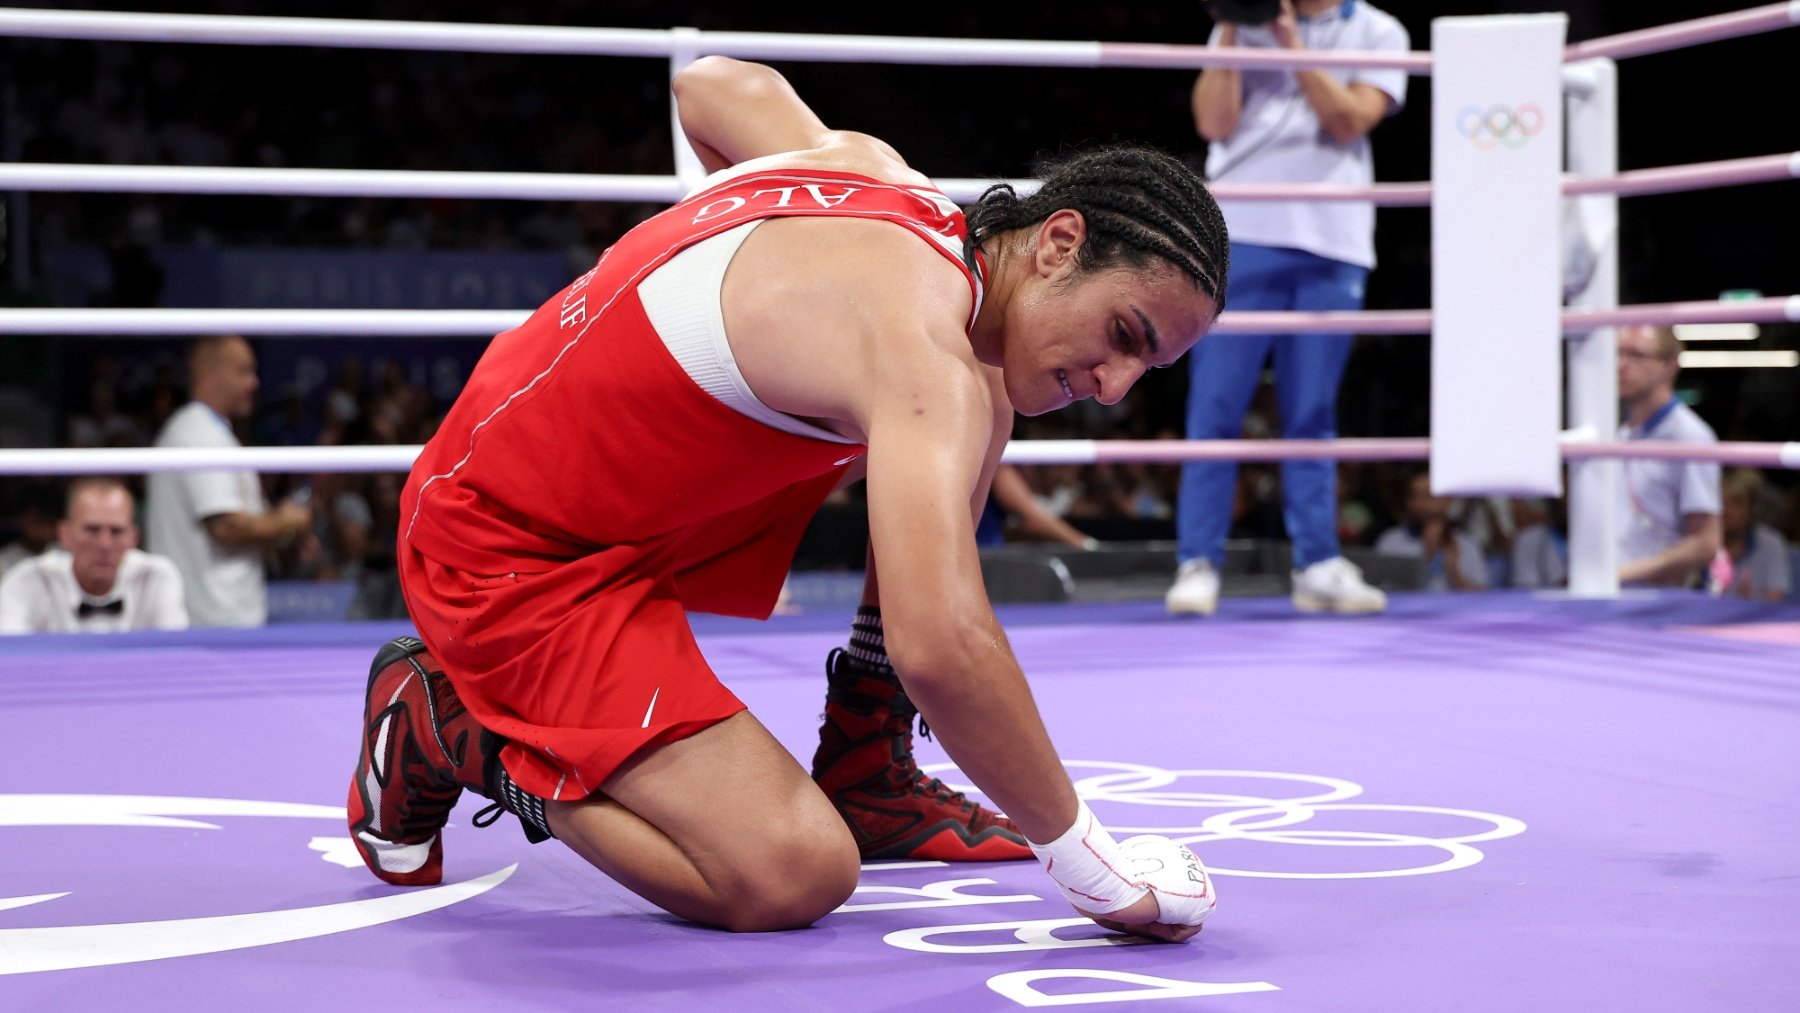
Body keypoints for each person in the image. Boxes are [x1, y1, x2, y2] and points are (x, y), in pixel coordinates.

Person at [347, 57, 1227, 940]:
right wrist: (1086, 859)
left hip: (595, 487)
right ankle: (448, 725)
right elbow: (946, 646)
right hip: (507, 551)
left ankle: (867, 758)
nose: (1114, 386)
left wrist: (725, 243)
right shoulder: (921, 352)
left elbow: (710, 85)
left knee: (987, 385)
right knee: (790, 872)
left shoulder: (873, 172)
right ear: (1058, 240)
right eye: (1123, 335)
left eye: (1144, 369)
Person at [1167, 0, 1408, 617]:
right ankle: (1198, 561)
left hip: (1331, 239)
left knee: (1312, 410)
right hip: (1241, 231)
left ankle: (1318, 563)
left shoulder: (1378, 30)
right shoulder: (1238, 23)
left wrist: (1290, 40)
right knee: (1216, 405)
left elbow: (1350, 118)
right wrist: (1230, 23)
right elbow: (1212, 124)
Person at [145, 334, 312, 627]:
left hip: (215, 615)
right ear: (211, 374)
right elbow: (225, 526)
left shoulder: (208, 431)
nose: (254, 383)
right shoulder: (199, 434)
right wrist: (288, 520)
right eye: (244, 371)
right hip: (213, 620)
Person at [0, 478, 187, 634]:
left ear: (133, 538)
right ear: (65, 535)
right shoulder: (28, 580)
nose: (104, 545)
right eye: (92, 530)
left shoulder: (156, 577)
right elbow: (9, 661)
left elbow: (175, 660)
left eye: (116, 531)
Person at [1614, 324, 1721, 587]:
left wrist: (1626, 573)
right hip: (1616, 595)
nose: (1621, 365)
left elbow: (1705, 544)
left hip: (1665, 602)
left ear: (1669, 366)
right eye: (1617, 354)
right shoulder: (1621, 435)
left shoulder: (1690, 437)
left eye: (1636, 355)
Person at [1373, 471, 1489, 592]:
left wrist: (1453, 570)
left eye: (1430, 497)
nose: (1423, 504)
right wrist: (1427, 555)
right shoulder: (1391, 541)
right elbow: (1380, 592)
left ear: (1447, 500)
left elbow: (1482, 597)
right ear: (1410, 502)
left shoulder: (1466, 543)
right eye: (1417, 496)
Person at [1710, 468, 1790, 602]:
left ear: (1752, 507)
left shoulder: (1770, 543)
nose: (1727, 510)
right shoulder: (1699, 544)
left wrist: (1744, 608)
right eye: (1721, 502)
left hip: (1756, 621)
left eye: (1737, 502)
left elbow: (1776, 598)